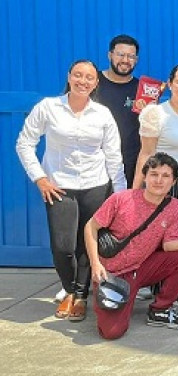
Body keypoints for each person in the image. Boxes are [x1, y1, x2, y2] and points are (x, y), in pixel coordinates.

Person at [16, 59, 126, 321]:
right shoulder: (48, 107)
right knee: (63, 246)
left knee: (87, 244)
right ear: (69, 77)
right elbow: (24, 143)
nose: (83, 81)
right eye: (78, 75)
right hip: (59, 187)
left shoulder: (102, 114)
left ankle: (80, 296)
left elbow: (113, 156)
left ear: (96, 82)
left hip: (95, 185)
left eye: (89, 77)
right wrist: (40, 179)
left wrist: (121, 194)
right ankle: (68, 289)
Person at [85, 153, 178, 339]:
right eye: (154, 174)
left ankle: (160, 310)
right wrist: (95, 264)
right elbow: (90, 226)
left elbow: (169, 245)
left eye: (165, 176)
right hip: (112, 274)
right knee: (111, 332)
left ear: (174, 181)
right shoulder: (122, 199)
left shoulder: (175, 206)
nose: (159, 180)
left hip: (142, 267)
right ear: (144, 176)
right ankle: (123, 297)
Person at [133, 63, 178, 311]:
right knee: (159, 239)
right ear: (170, 83)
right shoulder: (156, 114)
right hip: (162, 186)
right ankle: (157, 288)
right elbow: (145, 154)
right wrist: (135, 193)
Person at [95, 34, 141, 188]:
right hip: (94, 165)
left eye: (131, 56)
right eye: (120, 54)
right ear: (110, 55)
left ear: (136, 59)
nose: (125, 60)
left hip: (130, 165)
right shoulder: (92, 83)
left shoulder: (143, 90)